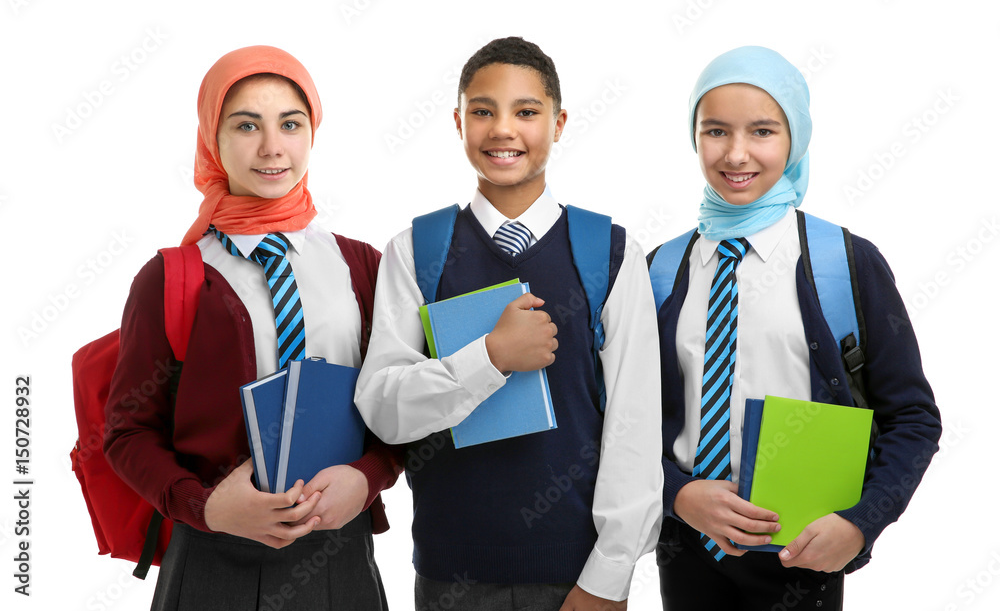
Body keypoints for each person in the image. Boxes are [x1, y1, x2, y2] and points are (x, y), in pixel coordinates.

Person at [353, 36, 663, 611]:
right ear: (458, 121)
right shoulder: (416, 250)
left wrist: (610, 576)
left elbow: (635, 427)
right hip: (452, 576)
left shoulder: (609, 253)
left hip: (578, 577)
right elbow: (384, 409)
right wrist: (489, 359)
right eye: (483, 111)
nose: (503, 129)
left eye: (526, 112)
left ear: (559, 122)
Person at [103, 45, 403, 611]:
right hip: (211, 564)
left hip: (340, 560)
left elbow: (399, 405)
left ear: (311, 133)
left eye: (290, 124)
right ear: (212, 139)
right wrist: (207, 506)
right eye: (246, 125)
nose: (272, 147)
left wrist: (368, 477)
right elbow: (126, 433)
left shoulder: (363, 266)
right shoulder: (173, 276)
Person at [653, 45, 942, 609]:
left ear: (795, 141)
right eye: (715, 131)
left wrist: (861, 523)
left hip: (804, 557)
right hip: (686, 553)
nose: (736, 153)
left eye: (762, 131)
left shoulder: (845, 262)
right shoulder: (660, 270)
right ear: (695, 137)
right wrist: (678, 494)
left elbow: (912, 417)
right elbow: (619, 423)